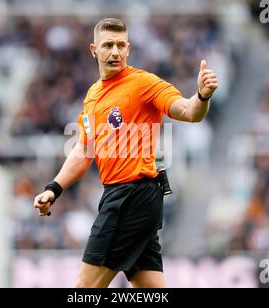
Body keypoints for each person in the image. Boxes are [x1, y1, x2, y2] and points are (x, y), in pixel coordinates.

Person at [34, 18, 218, 288]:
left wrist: (202, 96)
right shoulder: (93, 95)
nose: (115, 51)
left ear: (129, 49)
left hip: (131, 196)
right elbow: (84, 150)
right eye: (108, 45)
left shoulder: (144, 83)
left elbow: (188, 111)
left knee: (84, 290)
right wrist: (54, 188)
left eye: (121, 45)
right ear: (93, 50)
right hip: (123, 197)